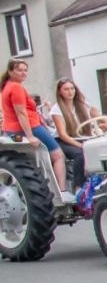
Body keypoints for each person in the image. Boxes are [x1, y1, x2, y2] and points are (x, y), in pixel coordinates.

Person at [1, 59, 71, 199]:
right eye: (19, 70)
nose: (23, 73)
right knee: (58, 155)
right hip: (31, 127)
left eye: (25, 70)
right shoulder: (16, 87)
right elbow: (21, 113)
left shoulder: (6, 87)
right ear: (10, 71)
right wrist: (30, 135)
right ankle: (63, 192)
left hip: (10, 129)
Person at [52, 77, 100, 188]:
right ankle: (78, 186)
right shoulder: (57, 109)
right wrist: (81, 145)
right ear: (60, 92)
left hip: (81, 137)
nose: (70, 92)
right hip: (63, 141)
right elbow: (63, 135)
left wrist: (106, 124)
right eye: (66, 89)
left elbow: (98, 118)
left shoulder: (83, 105)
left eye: (72, 89)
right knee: (80, 154)